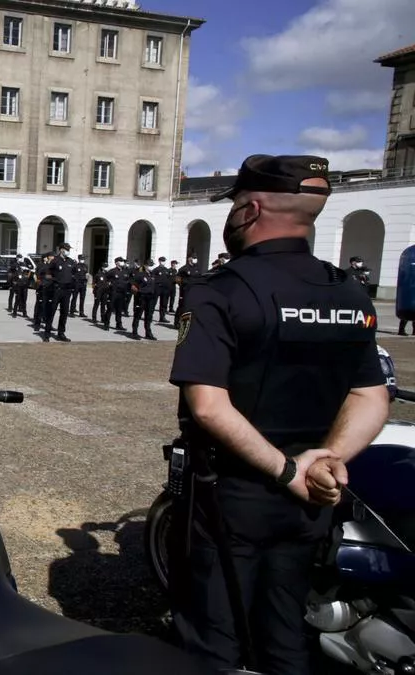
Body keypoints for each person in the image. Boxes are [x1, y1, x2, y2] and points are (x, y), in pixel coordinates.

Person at [168, 154, 389, 675]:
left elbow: (208, 404)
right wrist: (325, 461)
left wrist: (285, 470)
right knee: (286, 628)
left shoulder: (221, 290)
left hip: (236, 491)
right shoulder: (348, 291)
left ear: (250, 208)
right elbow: (370, 396)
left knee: (214, 635)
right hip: (314, 494)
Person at [42, 242, 75, 342]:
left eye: (69, 249)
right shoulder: (55, 261)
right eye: (66, 249)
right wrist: (52, 283)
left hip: (67, 290)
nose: (68, 251)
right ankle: (47, 333)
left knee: (64, 313)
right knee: (51, 312)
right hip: (56, 289)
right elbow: (47, 274)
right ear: (61, 249)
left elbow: (73, 275)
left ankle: (61, 333)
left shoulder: (71, 261)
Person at [130, 261, 157, 340]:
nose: (151, 267)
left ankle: (148, 333)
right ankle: (134, 332)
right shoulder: (140, 274)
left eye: (152, 265)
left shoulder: (152, 275)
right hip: (141, 297)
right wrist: (137, 294)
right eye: (150, 265)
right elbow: (133, 286)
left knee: (148, 316)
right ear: (146, 266)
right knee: (138, 315)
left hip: (150, 297)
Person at [102, 257, 130, 331]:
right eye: (121, 261)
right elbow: (105, 279)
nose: (122, 263)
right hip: (113, 292)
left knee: (119, 310)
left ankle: (119, 324)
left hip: (122, 293)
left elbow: (127, 281)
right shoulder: (112, 271)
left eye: (123, 261)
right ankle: (106, 324)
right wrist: (108, 287)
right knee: (110, 308)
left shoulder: (125, 271)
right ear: (117, 262)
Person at [175, 255, 200, 329]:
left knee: (191, 307)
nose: (195, 259)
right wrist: (183, 286)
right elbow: (177, 279)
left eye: (196, 258)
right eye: (194, 258)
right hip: (185, 291)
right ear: (189, 259)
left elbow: (199, 277)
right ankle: (177, 323)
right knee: (182, 306)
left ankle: (189, 323)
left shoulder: (197, 268)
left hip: (194, 290)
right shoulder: (183, 269)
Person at [32, 251, 54, 332]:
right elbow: (38, 276)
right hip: (42, 289)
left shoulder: (53, 267)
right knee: (40, 307)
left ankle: (49, 325)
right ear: (48, 257)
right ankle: (37, 324)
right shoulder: (43, 266)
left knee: (50, 309)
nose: (53, 258)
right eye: (52, 256)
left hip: (51, 290)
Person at [152, 256, 171, 323]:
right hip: (157, 288)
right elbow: (153, 279)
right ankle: (150, 315)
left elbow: (169, 279)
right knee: (153, 302)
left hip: (164, 289)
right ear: (159, 261)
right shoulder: (156, 270)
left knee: (164, 303)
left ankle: (162, 317)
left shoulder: (167, 270)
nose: (164, 262)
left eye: (164, 260)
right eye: (162, 260)